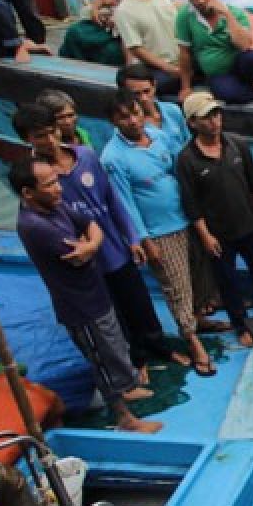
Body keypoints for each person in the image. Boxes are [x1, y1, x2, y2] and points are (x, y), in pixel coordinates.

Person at [13, 102, 190, 378]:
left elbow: (112, 199)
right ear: (27, 139)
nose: (49, 141)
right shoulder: (38, 178)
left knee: (138, 300)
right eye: (39, 136)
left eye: (52, 132)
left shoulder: (86, 157)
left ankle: (160, 347)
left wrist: (133, 238)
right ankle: (136, 360)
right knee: (112, 314)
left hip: (114, 246)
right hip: (86, 258)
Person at [9, 155, 162, 434]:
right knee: (101, 359)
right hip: (80, 305)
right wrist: (91, 247)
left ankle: (127, 388)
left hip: (97, 293)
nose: (57, 188)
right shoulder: (35, 226)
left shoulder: (55, 206)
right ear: (28, 193)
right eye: (49, 184)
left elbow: (92, 227)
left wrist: (90, 245)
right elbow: (80, 258)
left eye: (56, 181)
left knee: (115, 346)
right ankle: (124, 418)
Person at [101, 91, 216, 376]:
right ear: (113, 121)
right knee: (177, 287)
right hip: (160, 231)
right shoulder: (113, 158)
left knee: (200, 274)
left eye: (136, 113)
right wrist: (142, 239)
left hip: (187, 218)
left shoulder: (157, 136)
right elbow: (124, 203)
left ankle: (201, 318)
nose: (133, 121)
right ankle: (191, 338)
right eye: (124, 117)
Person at [176, 92, 253, 346]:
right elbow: (192, 205)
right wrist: (206, 236)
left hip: (247, 223)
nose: (214, 121)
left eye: (216, 114)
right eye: (206, 117)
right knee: (227, 281)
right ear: (192, 123)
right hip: (218, 233)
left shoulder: (237, 144)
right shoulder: (187, 160)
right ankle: (241, 325)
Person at [175, 0, 253, 104]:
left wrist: (227, 15)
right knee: (226, 93)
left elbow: (245, 45)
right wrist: (185, 88)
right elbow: (184, 53)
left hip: (240, 65)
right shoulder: (184, 17)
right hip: (218, 75)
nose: (201, 1)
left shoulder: (235, 13)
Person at [113, 0, 180, 96]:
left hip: (181, 60)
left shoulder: (162, 0)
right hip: (157, 68)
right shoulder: (124, 10)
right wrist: (169, 69)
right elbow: (136, 49)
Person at [117, 62, 190, 150]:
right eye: (136, 94)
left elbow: (188, 141)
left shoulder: (173, 110)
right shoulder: (129, 126)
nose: (144, 98)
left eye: (147, 91)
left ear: (154, 86)